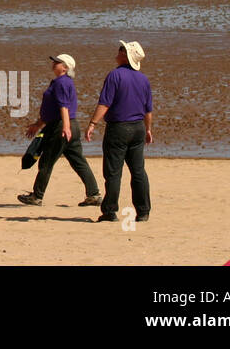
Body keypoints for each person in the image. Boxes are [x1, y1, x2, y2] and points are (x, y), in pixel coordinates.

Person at [17, 54, 101, 207]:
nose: (54, 63)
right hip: (67, 125)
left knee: (46, 162)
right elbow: (52, 109)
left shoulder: (61, 82)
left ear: (65, 68)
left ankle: (37, 196)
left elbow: (64, 107)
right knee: (78, 161)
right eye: (54, 61)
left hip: (61, 127)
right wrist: (38, 125)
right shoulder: (62, 82)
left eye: (57, 62)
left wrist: (65, 127)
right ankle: (94, 194)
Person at [84, 41, 152, 223]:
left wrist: (92, 123)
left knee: (113, 172)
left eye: (122, 50)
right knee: (138, 171)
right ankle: (143, 211)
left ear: (126, 56)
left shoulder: (115, 75)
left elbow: (105, 103)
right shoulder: (143, 79)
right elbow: (148, 110)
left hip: (119, 128)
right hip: (138, 128)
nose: (118, 51)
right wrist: (148, 129)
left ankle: (109, 211)